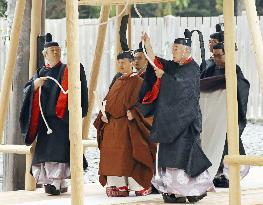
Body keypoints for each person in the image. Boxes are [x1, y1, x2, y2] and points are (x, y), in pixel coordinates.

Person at [139, 31, 214, 203]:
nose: (173, 51)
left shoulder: (192, 68)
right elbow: (155, 62)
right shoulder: (174, 65)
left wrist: (164, 77)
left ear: (186, 51)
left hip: (186, 121)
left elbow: (183, 90)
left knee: (184, 154)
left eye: (176, 48)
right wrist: (148, 45)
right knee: (168, 155)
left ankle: (193, 190)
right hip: (169, 120)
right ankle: (174, 192)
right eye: (172, 48)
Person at [93, 15, 156, 198]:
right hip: (113, 125)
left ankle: (138, 185)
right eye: (119, 62)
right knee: (111, 152)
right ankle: (117, 185)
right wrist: (102, 115)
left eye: (125, 62)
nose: (121, 65)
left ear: (131, 63)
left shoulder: (139, 81)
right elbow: (107, 101)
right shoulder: (117, 81)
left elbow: (145, 102)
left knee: (132, 153)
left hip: (130, 127)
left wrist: (134, 113)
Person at [19, 33, 88, 195]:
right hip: (44, 122)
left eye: (58, 50)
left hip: (62, 120)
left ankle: (58, 183)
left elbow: (80, 88)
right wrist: (35, 85)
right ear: (45, 54)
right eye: (52, 50)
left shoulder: (68, 70)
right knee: (46, 155)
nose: (56, 53)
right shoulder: (39, 72)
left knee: (60, 154)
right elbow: (26, 91)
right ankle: (52, 183)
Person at [200, 42, 250, 188]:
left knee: (229, 144)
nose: (216, 59)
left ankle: (228, 175)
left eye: (219, 55)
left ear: (228, 54)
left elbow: (240, 96)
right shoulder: (209, 70)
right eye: (214, 56)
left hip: (227, 118)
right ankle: (215, 173)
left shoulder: (235, 72)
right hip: (213, 117)